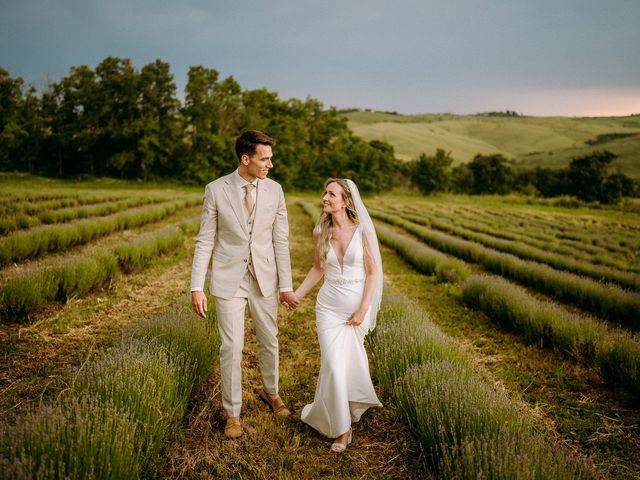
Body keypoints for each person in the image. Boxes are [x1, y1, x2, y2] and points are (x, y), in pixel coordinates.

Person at [190, 130, 299, 439]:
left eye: (270, 158)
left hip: (265, 278)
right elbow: (205, 241)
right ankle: (233, 412)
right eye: (265, 159)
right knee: (232, 346)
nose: (270, 165)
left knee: (270, 340)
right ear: (245, 158)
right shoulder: (216, 190)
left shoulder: (275, 191)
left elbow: (281, 241)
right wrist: (196, 286)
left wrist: (286, 285)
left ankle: (271, 392)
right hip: (228, 280)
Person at [293, 178, 383, 453]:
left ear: (345, 201)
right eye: (325, 193)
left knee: (348, 365)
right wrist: (297, 294)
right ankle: (343, 431)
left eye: (332, 194)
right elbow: (318, 269)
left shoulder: (363, 231)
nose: (325, 198)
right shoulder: (320, 230)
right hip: (329, 308)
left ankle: (347, 408)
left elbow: (372, 273)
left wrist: (363, 309)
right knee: (332, 364)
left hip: (356, 308)